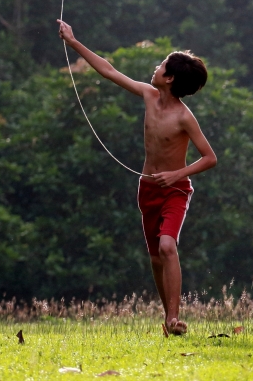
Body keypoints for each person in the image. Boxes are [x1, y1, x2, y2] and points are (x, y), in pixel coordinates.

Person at [58, 20, 217, 336]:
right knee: (156, 258)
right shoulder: (147, 95)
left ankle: (174, 319)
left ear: (169, 78)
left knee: (168, 247)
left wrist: (177, 175)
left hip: (175, 190)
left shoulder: (184, 117)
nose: (155, 68)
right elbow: (109, 71)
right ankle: (167, 318)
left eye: (161, 66)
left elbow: (210, 158)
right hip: (147, 189)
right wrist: (73, 42)